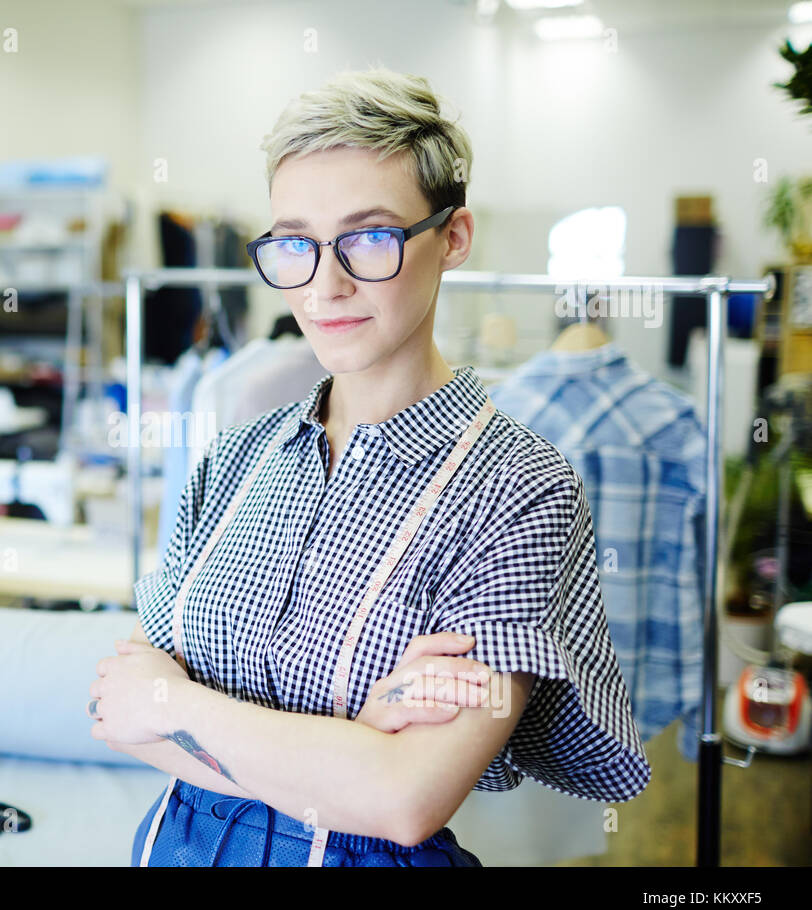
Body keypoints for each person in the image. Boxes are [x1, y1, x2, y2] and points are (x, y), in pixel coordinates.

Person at [87, 66, 651, 867]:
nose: (326, 283)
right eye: (295, 244)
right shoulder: (239, 457)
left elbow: (403, 801)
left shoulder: (520, 488)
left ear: (451, 238)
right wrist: (349, 746)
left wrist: (173, 701)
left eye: (371, 237)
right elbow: (114, 715)